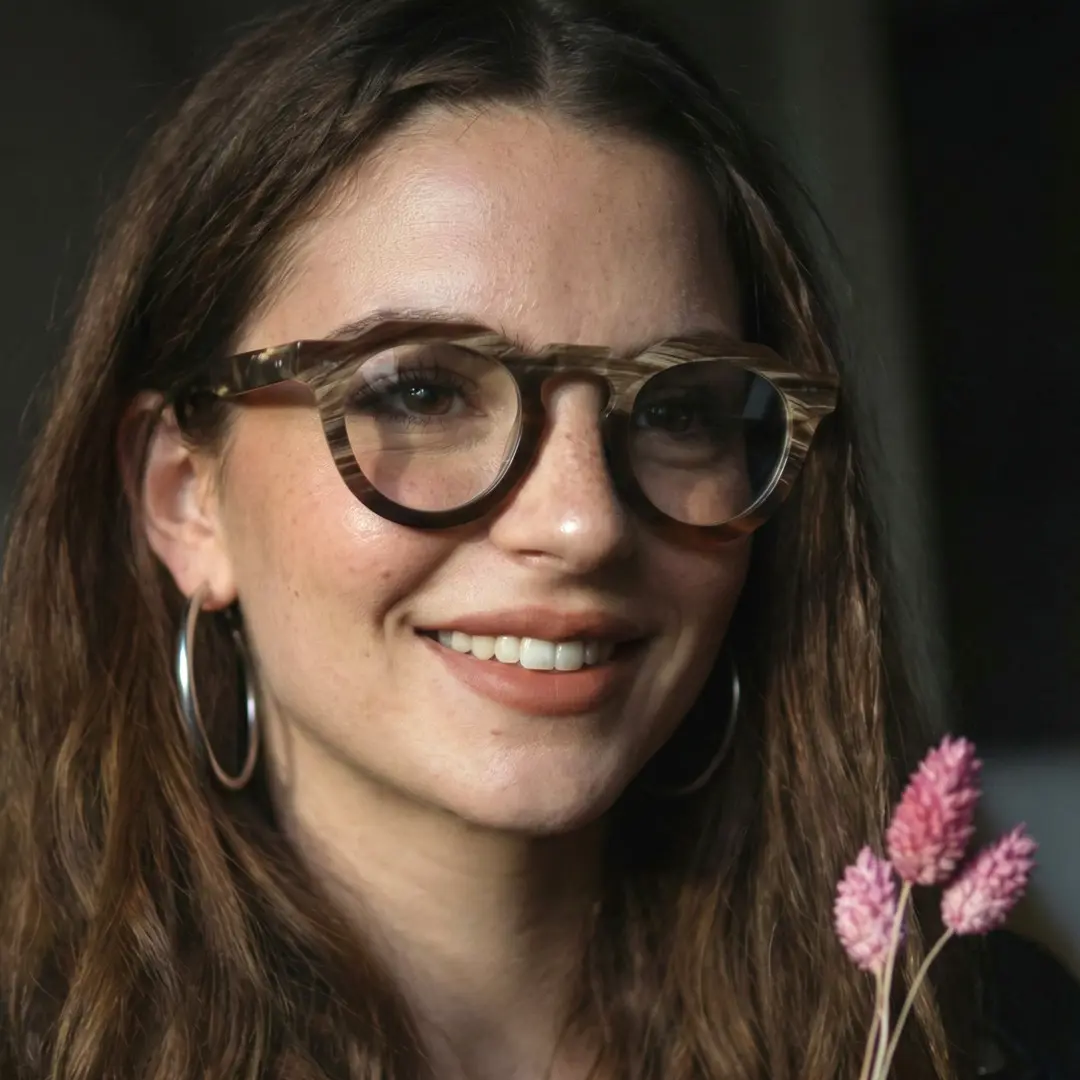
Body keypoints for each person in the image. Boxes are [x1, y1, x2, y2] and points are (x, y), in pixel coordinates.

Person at [0, 1, 1075, 1078]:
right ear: (187, 497)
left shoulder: (979, 1036)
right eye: (420, 391)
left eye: (675, 409)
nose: (582, 522)